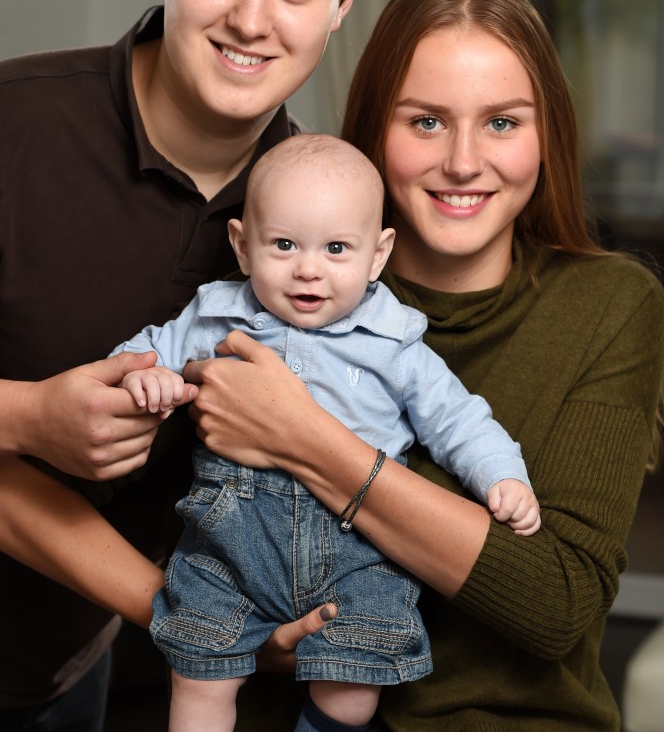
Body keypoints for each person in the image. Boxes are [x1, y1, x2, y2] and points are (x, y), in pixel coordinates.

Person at [174, 0, 664, 732]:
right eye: (426, 122)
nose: (464, 162)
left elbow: (556, 602)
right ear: (373, 133)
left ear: (548, 134)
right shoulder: (276, 287)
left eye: (502, 122)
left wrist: (305, 441)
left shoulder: (611, 306)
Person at [0, 0, 376, 731]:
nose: (252, 20)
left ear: (344, 2)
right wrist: (26, 416)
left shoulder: (333, 221)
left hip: (59, 676)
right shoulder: (14, 127)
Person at [112, 133, 540, 732]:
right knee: (199, 668)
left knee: (355, 683)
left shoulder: (394, 339)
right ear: (241, 245)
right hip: (230, 541)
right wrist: (147, 377)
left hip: (358, 550)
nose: (308, 269)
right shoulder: (216, 314)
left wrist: (502, 475)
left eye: (337, 248)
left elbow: (457, 417)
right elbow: (141, 351)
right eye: (283, 244)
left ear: (377, 255)